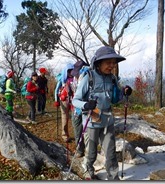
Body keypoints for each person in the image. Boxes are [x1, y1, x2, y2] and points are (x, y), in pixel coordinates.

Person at [72, 46, 132, 180]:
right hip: (91, 123)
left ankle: (114, 177)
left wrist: (124, 91)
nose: (112, 66)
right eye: (108, 62)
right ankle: (89, 172)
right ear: (99, 63)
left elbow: (116, 98)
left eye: (113, 63)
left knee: (110, 154)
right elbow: (75, 100)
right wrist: (86, 105)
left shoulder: (112, 78)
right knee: (91, 153)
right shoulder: (89, 77)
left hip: (107, 121)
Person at [70, 59, 90, 158]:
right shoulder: (76, 79)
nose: (75, 75)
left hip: (86, 110)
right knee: (77, 129)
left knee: (86, 132)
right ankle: (80, 149)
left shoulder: (87, 78)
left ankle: (86, 152)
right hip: (76, 108)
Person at [54, 63, 74, 143]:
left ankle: (77, 134)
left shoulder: (75, 78)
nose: (70, 73)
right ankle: (65, 135)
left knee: (74, 118)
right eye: (69, 71)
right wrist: (56, 100)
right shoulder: (62, 79)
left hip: (73, 101)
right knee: (64, 118)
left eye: (71, 71)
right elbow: (56, 90)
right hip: (64, 101)